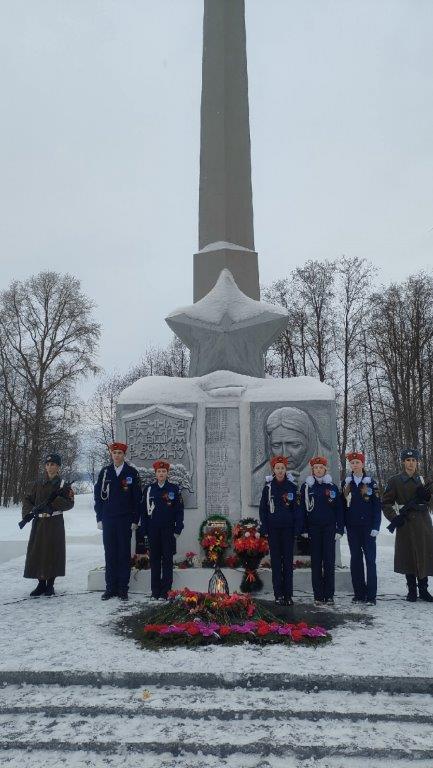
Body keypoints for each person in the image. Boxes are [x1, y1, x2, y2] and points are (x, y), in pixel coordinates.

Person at [382, 448, 433, 602]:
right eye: (408, 460)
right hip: (406, 523)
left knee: (424, 555)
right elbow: (386, 503)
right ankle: (411, 590)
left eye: (414, 460)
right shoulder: (395, 480)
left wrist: (428, 497)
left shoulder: (424, 481)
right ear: (403, 462)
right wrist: (395, 518)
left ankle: (423, 590)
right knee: (408, 555)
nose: (411, 463)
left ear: (417, 462)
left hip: (423, 523)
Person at [22, 453, 74, 597]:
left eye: (53, 464)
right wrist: (27, 513)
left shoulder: (63, 484)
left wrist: (54, 504)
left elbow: (70, 503)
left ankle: (50, 585)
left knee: (53, 552)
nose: (50, 467)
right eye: (48, 464)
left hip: (54, 523)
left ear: (58, 467)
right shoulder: (38, 483)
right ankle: (40, 584)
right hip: (39, 523)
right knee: (38, 553)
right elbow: (27, 499)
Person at [94, 441, 142, 601]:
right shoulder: (105, 472)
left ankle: (123, 588)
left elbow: (137, 498)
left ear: (124, 455)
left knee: (123, 554)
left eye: (120, 453)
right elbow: (98, 497)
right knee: (110, 553)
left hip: (125, 520)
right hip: (108, 519)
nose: (117, 456)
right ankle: (110, 588)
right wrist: (99, 518)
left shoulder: (131, 473)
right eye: (114, 453)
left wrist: (135, 519)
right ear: (111, 454)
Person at [259, 454, 303, 606]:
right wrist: (264, 527)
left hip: (288, 530)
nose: (280, 471)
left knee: (288, 563)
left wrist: (297, 528)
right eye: (277, 468)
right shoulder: (268, 487)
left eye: (282, 468)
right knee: (276, 563)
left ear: (286, 469)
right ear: (273, 469)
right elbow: (263, 509)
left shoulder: (292, 487)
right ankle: (278, 594)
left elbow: (297, 510)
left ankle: (288, 595)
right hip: (273, 530)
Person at [300, 456, 344, 606]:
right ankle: (318, 595)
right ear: (312, 470)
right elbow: (302, 511)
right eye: (315, 468)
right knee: (316, 563)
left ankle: (329, 595)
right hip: (313, 529)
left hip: (329, 529)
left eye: (321, 468)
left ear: (325, 469)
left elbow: (339, 510)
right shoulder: (306, 487)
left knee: (329, 562)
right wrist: (304, 528)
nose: (318, 470)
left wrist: (339, 528)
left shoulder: (332, 487)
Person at [140, 459, 184, 600]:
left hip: (168, 530)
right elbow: (144, 512)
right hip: (153, 530)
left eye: (163, 471)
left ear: (167, 473)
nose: (161, 473)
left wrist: (178, 529)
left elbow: (179, 511)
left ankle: (166, 591)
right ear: (155, 473)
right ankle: (155, 591)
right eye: (159, 471)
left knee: (167, 560)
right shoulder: (149, 490)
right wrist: (144, 531)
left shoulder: (173, 489)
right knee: (154, 560)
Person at [341, 451, 381, 605]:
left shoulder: (371, 483)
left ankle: (371, 596)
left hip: (368, 528)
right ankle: (359, 593)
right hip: (352, 528)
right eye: (353, 463)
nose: (355, 465)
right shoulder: (347, 483)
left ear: (363, 464)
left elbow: (377, 506)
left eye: (358, 462)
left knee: (370, 561)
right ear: (350, 465)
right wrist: (343, 525)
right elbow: (342, 506)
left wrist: (376, 526)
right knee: (356, 560)